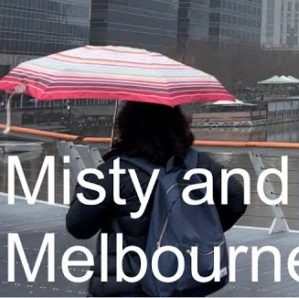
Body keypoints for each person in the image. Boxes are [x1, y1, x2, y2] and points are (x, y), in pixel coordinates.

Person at [66, 102, 248, 297]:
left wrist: (90, 180)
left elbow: (78, 225)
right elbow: (236, 198)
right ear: (178, 124)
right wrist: (197, 229)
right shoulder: (197, 163)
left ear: (128, 127)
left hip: (125, 287)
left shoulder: (114, 172)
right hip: (180, 282)